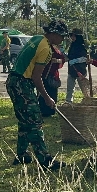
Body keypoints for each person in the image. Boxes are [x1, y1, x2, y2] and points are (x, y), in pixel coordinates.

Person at [5, 19, 70, 170]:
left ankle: (22, 155)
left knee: (24, 120)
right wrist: (47, 97)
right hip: (22, 84)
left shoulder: (36, 38)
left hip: (13, 81)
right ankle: (45, 159)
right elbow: (36, 77)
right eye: (62, 36)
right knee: (35, 120)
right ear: (54, 34)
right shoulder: (46, 49)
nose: (62, 39)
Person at [39, 43, 65, 117]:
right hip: (44, 74)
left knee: (52, 93)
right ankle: (42, 110)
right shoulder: (44, 49)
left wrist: (56, 60)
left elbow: (62, 60)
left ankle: (50, 110)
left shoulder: (56, 51)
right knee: (43, 92)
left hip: (52, 75)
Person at [65, 28, 88, 103]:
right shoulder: (72, 45)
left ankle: (88, 100)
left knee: (84, 88)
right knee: (70, 87)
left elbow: (84, 58)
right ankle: (68, 101)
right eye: (71, 36)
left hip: (80, 70)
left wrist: (75, 61)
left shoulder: (81, 46)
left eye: (74, 36)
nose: (72, 37)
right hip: (71, 70)